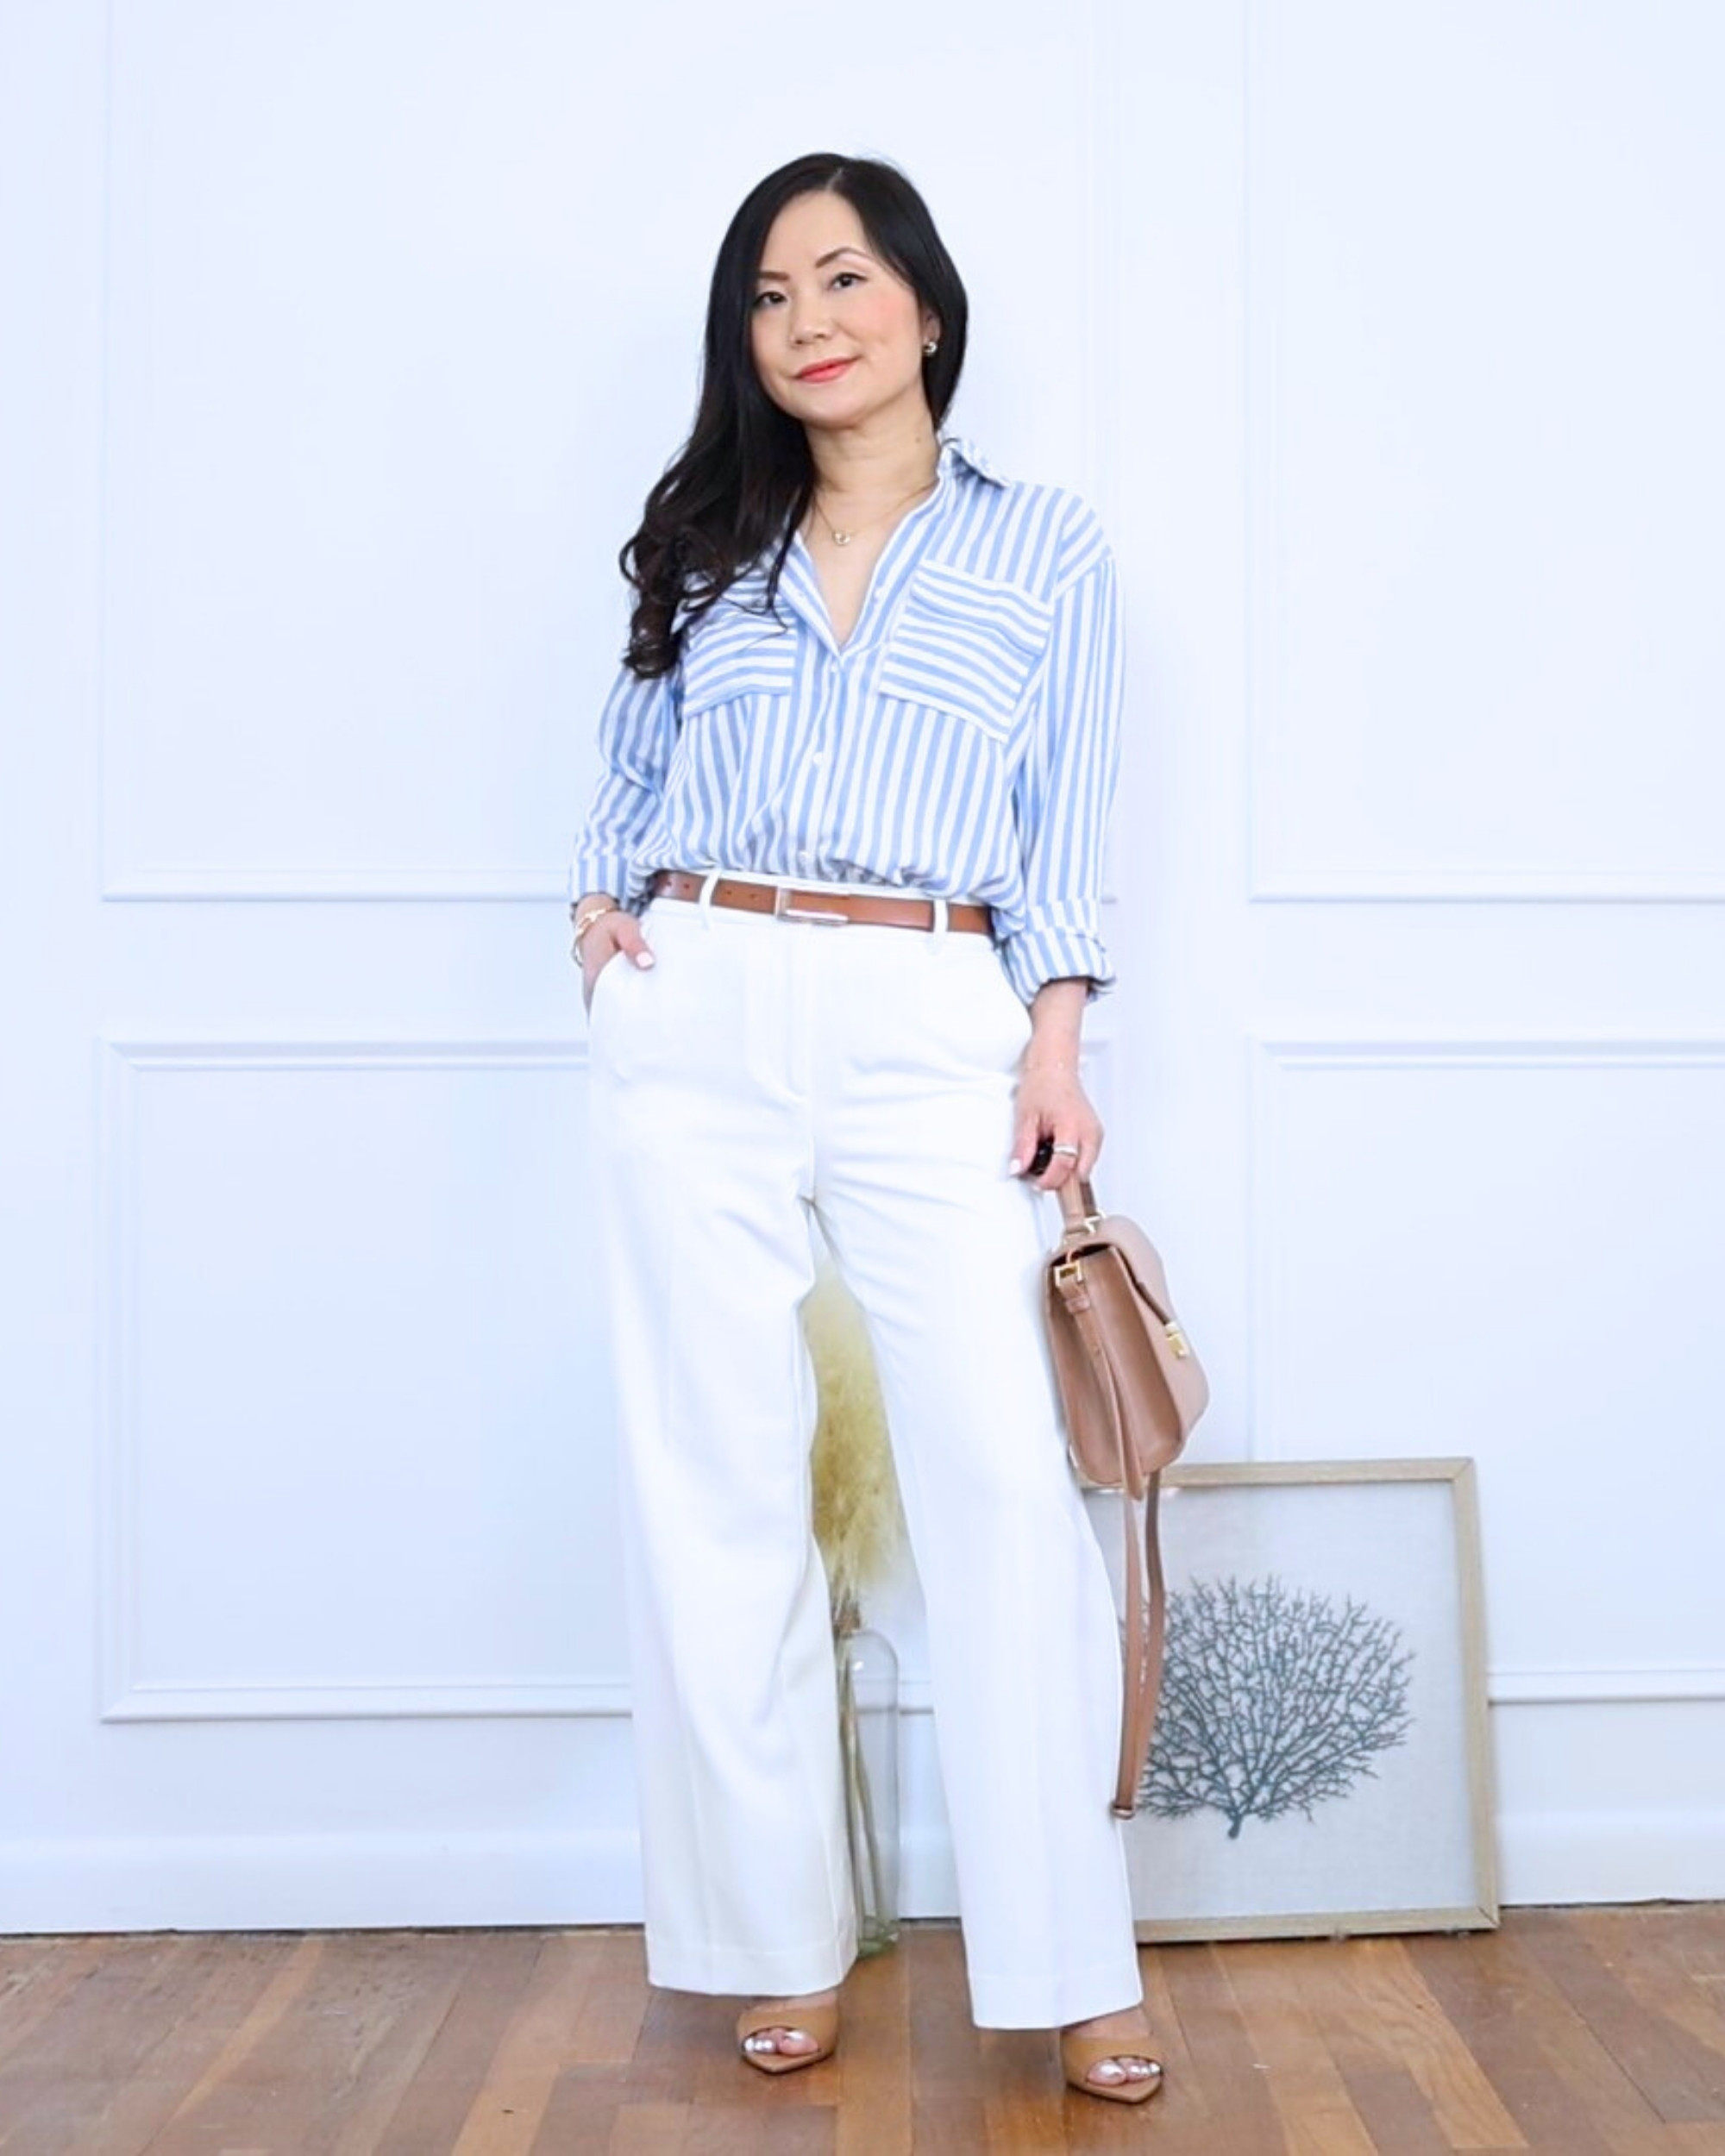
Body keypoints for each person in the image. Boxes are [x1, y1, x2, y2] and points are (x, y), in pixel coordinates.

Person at [566, 151, 1164, 2107]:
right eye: (766, 293)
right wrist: (606, 920)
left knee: (998, 1483)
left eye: (839, 276)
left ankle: (1076, 1961)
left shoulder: (1042, 548)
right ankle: (776, 1936)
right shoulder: (704, 542)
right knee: (719, 1483)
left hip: (934, 1008)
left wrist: (1053, 1046)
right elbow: (627, 759)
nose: (804, 319)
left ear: (921, 303)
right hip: (705, 998)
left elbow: (1067, 824)